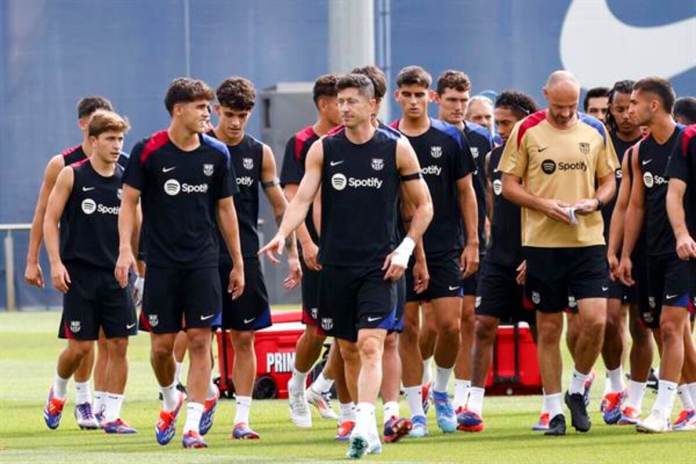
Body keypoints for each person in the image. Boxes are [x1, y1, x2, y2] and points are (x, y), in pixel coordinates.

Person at [261, 73, 433, 459]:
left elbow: (423, 206)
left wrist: (406, 248)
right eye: (341, 102)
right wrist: (283, 235)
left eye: (353, 101)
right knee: (349, 350)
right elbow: (302, 200)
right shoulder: (324, 149)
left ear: (373, 105)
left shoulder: (396, 148)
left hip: (381, 266)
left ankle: (364, 426)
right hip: (336, 265)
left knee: (372, 345)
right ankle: (365, 425)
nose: (345, 108)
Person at [115, 77, 245, 449]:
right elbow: (128, 203)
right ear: (178, 110)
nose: (208, 113)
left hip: (203, 260)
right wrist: (126, 249)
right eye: (201, 106)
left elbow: (226, 209)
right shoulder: (148, 151)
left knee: (202, 340)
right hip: (161, 262)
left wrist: (237, 262)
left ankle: (191, 426)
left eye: (209, 106)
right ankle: (172, 396)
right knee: (161, 348)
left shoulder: (217, 153)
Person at [500, 70, 618, 435]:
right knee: (548, 328)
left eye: (572, 106)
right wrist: (541, 205)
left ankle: (578, 387)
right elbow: (508, 186)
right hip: (542, 243)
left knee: (596, 320)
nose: (566, 113)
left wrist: (594, 201)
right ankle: (552, 409)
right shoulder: (527, 131)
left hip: (587, 241)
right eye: (559, 105)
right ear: (546, 95)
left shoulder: (595, 131)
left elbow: (609, 179)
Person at [208, 76, 302, 439]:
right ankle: (201, 396)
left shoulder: (259, 153)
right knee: (193, 339)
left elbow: (282, 207)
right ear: (216, 110)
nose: (235, 122)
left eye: (242, 115)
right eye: (229, 114)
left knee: (244, 336)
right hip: (198, 256)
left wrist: (293, 251)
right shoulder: (199, 147)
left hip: (244, 256)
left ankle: (242, 418)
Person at [392, 65, 479, 437]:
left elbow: (466, 191)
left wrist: (474, 241)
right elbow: (404, 204)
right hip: (401, 247)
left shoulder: (449, 138)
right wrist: (414, 254)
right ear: (398, 97)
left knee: (449, 325)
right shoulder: (389, 139)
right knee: (408, 328)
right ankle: (416, 411)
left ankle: (441, 390)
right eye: (406, 94)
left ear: (430, 97)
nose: (413, 101)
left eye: (419, 94)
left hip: (447, 245)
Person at [42, 111, 137, 434]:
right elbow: (50, 220)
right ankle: (57, 390)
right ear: (93, 141)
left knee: (119, 344)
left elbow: (135, 225)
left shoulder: (127, 179)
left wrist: (137, 262)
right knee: (81, 348)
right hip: (79, 275)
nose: (116, 145)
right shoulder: (72, 175)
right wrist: (55, 262)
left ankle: (110, 413)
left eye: (120, 139)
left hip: (117, 275)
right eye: (110, 138)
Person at [26, 96, 117, 430]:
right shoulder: (63, 164)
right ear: (83, 125)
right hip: (75, 265)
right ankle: (66, 392)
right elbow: (43, 214)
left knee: (112, 339)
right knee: (82, 344)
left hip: (110, 265)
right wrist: (34, 260)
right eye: (96, 122)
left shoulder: (116, 164)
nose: (105, 132)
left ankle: (94, 406)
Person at [458, 90, 538, 432]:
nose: (500, 129)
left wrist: (533, 255)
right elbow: (492, 205)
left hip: (536, 257)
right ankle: (473, 405)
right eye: (498, 122)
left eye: (507, 122)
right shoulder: (492, 158)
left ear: (525, 120)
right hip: (499, 258)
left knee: (543, 330)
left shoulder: (540, 158)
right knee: (483, 324)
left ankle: (557, 402)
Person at [618, 77, 694, 432]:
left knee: (670, 326)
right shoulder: (638, 152)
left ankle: (662, 411)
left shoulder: (688, 142)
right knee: (670, 332)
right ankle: (692, 407)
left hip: (686, 252)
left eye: (633, 103)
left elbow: (676, 197)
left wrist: (684, 235)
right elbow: (635, 206)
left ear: (653, 106)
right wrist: (626, 253)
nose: (628, 110)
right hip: (652, 253)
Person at [281, 74, 344, 429]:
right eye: (341, 101)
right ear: (324, 104)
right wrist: (305, 243)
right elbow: (294, 197)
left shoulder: (357, 140)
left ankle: (322, 387)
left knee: (354, 332)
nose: (348, 108)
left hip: (353, 250)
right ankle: (296, 384)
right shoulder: (302, 142)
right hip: (319, 251)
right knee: (318, 329)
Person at [434, 69, 493, 414]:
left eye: (463, 100)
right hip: (434, 239)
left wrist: (487, 230)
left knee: (467, 317)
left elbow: (487, 189)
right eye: (452, 100)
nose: (458, 107)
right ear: (437, 99)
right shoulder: (423, 136)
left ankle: (461, 395)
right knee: (430, 325)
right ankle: (430, 379)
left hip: (472, 239)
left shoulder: (482, 139)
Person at [599, 79, 652, 424]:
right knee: (607, 319)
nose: (626, 116)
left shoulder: (654, 146)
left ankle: (634, 398)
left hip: (649, 248)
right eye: (618, 109)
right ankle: (614, 384)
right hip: (604, 246)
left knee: (643, 326)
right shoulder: (599, 144)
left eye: (629, 108)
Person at [665, 122, 696, 431]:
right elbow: (675, 194)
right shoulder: (689, 138)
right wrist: (682, 234)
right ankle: (669, 408)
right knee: (676, 324)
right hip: (689, 250)